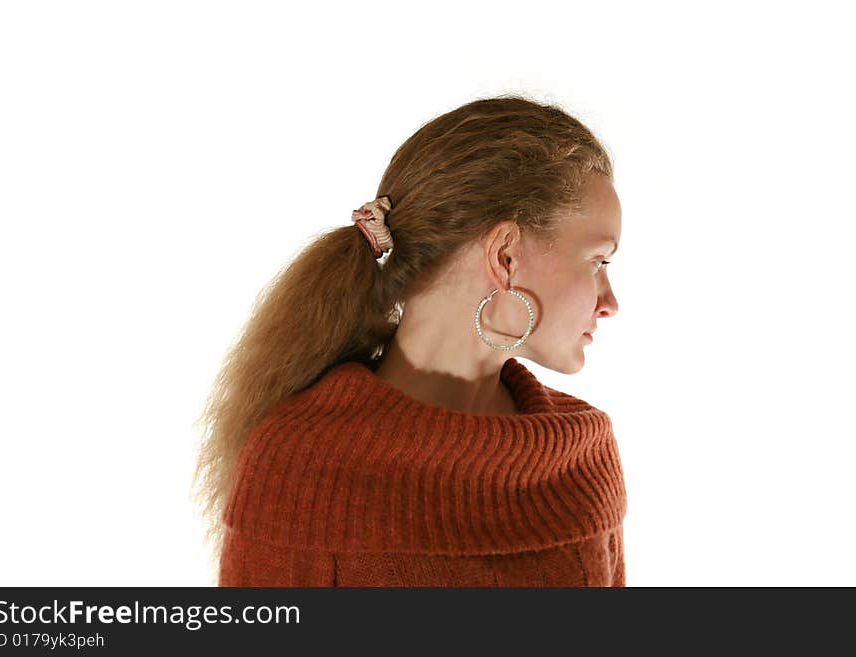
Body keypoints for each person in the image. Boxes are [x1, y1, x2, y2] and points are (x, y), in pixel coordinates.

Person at [193, 94, 626, 586]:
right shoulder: (303, 465)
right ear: (505, 256)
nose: (609, 301)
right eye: (598, 262)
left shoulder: (583, 456)